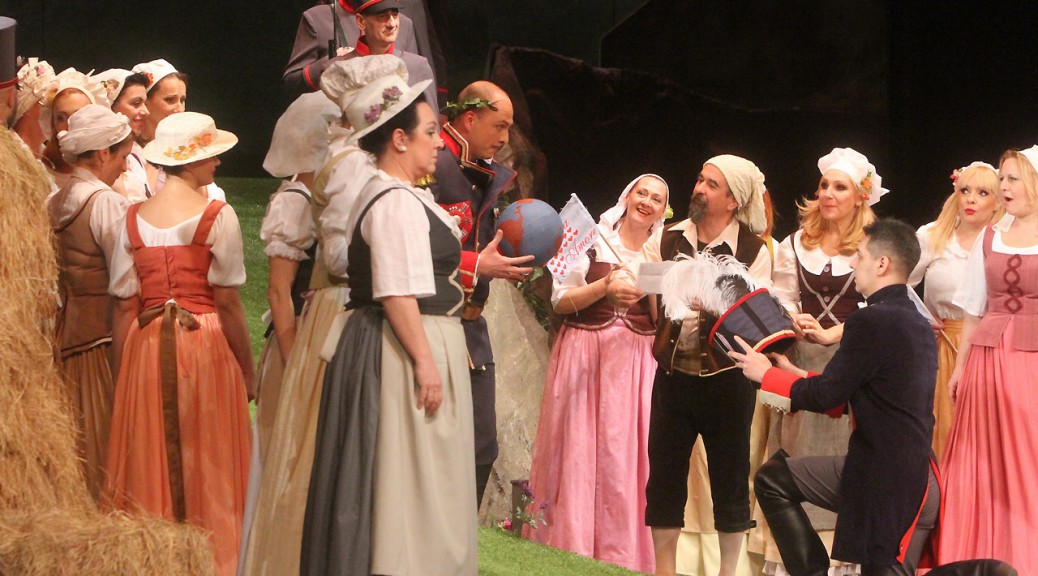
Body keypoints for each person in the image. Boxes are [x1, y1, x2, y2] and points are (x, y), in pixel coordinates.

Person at [300, 67, 476, 576]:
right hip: (400, 348)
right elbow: (397, 290)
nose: (439, 143)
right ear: (399, 139)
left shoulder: (400, 194)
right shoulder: (393, 201)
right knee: (410, 478)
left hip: (409, 339)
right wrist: (424, 362)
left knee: (422, 476)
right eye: (430, 132)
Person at [732, 218, 940, 576]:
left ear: (882, 264)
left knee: (772, 480)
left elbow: (828, 394)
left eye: (859, 255)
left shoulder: (871, 320)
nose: (853, 263)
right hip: (918, 478)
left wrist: (766, 375)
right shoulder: (915, 321)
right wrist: (793, 374)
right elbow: (863, 391)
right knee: (775, 479)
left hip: (886, 482)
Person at [103, 112, 253, 576]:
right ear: (189, 161)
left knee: (151, 449)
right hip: (203, 342)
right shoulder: (217, 215)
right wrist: (248, 370)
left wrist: (122, 374)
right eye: (211, 155)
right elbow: (227, 303)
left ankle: (156, 558)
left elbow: (125, 306)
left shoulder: (133, 218)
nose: (218, 162)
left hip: (146, 346)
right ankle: (214, 557)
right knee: (209, 452)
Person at [609, 155, 771, 576]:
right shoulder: (668, 239)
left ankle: (728, 571)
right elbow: (641, 280)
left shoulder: (752, 251)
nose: (699, 188)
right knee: (664, 478)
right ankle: (665, 570)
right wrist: (620, 286)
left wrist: (714, 300)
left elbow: (756, 315)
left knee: (730, 479)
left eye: (711, 184)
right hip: (673, 378)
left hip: (726, 382)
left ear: (733, 201)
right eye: (700, 179)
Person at [525, 174, 670, 573]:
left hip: (636, 362)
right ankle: (570, 541)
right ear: (627, 196)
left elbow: (660, 320)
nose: (647, 202)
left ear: (663, 210)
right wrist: (605, 285)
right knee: (578, 448)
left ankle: (622, 552)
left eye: (657, 199)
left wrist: (652, 291)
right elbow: (560, 301)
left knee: (626, 455)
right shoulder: (591, 238)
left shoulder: (662, 251)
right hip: (586, 352)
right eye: (642, 193)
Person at [759, 146, 885, 573]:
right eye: (824, 185)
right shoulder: (796, 243)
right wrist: (792, 317)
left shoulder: (872, 245)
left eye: (840, 187)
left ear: (860, 196)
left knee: (843, 452)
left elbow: (879, 306)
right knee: (795, 451)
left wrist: (835, 332)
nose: (828, 193)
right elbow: (781, 295)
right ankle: (794, 556)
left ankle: (841, 560)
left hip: (851, 362)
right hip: (800, 357)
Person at [237, 90, 338, 576]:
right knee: (285, 452)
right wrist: (295, 358)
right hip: (292, 345)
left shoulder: (321, 199)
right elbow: (280, 293)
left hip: (313, 344)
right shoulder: (296, 201)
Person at [424, 79, 534, 506]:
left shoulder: (480, 170)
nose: (505, 138)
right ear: (469, 119)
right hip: (432, 324)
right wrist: (475, 265)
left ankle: (456, 539)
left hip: (470, 326)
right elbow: (411, 245)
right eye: (499, 126)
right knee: (433, 446)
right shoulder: (433, 164)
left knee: (481, 447)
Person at [939, 146, 1038, 573]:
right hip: (987, 359)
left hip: (1031, 364)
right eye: (1003, 178)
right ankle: (974, 556)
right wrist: (961, 368)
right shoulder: (990, 236)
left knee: (1027, 462)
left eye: (1013, 178)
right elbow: (974, 310)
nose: (1004, 186)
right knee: (978, 463)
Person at [47, 104, 133, 501]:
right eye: (121, 156)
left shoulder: (57, 199)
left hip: (65, 341)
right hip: (102, 342)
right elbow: (126, 282)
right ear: (101, 153)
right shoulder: (105, 203)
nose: (125, 166)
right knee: (101, 446)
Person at [908, 162, 1002, 462]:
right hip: (942, 346)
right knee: (942, 428)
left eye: (983, 192)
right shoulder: (934, 236)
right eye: (965, 190)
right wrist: (921, 318)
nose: (971, 199)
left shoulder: (1004, 242)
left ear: (998, 201)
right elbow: (899, 283)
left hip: (991, 347)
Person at [284, 0, 438, 106]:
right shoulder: (317, 18)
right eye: (382, 16)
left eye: (394, 15)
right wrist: (329, 63)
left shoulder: (403, 23)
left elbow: (415, 83)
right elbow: (292, 83)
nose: (391, 22)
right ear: (361, 21)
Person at [131, 59, 226, 202]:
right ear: (145, 101)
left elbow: (212, 198)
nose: (179, 109)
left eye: (182, 100)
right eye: (170, 100)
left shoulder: (183, 148)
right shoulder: (128, 154)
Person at [41, 68, 108, 189]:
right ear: (53, 124)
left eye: (79, 115)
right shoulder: (41, 174)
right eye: (61, 118)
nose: (70, 123)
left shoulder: (111, 168)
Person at [93, 68, 153, 202]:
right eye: (136, 103)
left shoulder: (135, 155)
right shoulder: (95, 161)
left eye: (145, 104)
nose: (146, 111)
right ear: (109, 106)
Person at [11, 57, 55, 157]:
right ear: (27, 109)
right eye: (49, 100)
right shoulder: (9, 155)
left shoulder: (49, 158)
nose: (56, 108)